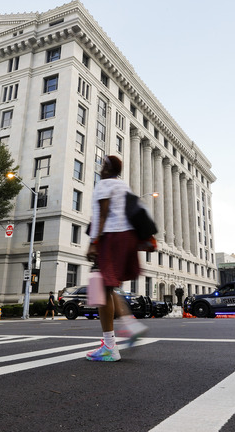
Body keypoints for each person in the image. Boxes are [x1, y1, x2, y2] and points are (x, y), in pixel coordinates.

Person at [85, 155, 147, 361]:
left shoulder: (104, 185)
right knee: (107, 286)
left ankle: (110, 346)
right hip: (126, 238)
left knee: (100, 290)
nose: (101, 168)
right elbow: (135, 212)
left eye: (103, 165)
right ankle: (130, 326)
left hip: (111, 238)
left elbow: (102, 215)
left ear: (108, 169)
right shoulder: (124, 186)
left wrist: (94, 242)